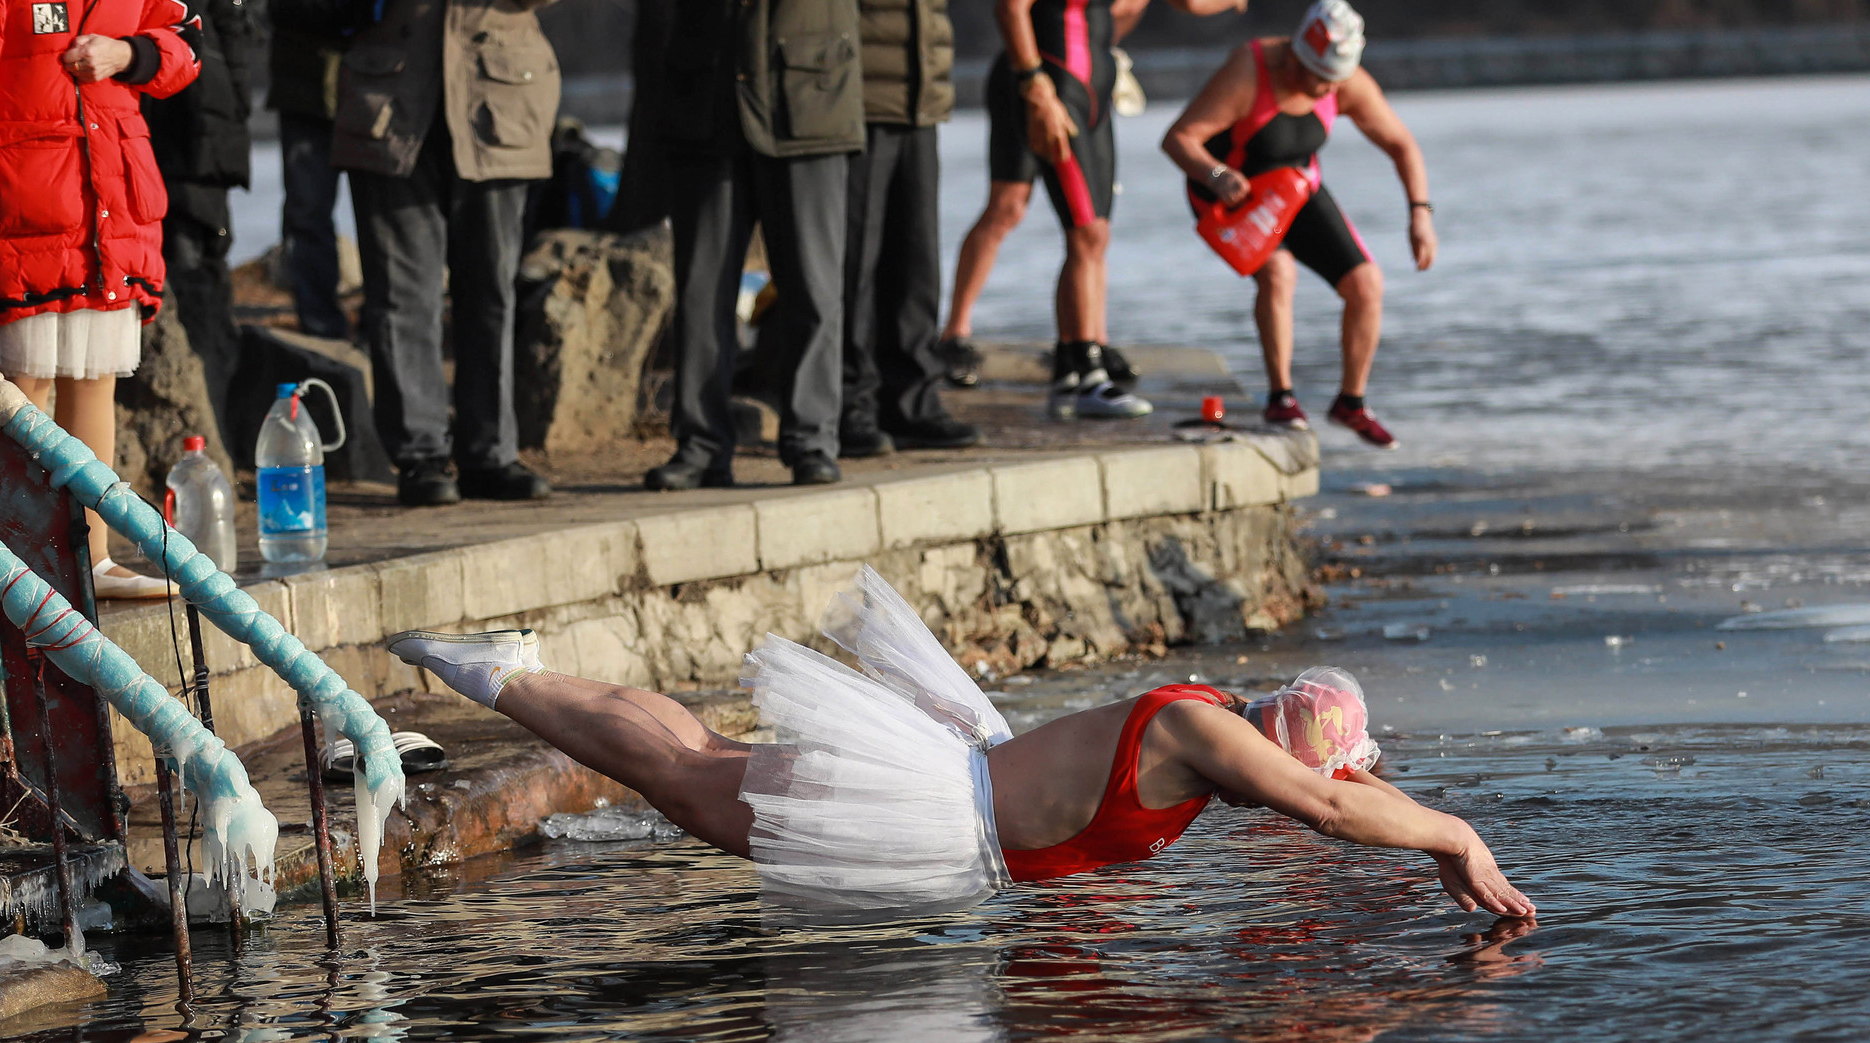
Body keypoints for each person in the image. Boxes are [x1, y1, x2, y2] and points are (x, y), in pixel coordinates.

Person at [386, 566, 1533, 919]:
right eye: (1306, 767)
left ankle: (514, 664)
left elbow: (1337, 794)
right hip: (938, 810)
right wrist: (1456, 838)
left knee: (700, 770)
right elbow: (1331, 808)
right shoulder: (1204, 732)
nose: (1298, 791)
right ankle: (500, 672)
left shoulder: (1215, 749)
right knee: (689, 780)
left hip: (954, 820)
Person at [0, 0, 203, 600]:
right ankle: (9, 563)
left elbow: (188, 43)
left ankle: (92, 558)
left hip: (111, 203)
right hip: (24, 202)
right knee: (19, 386)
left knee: (96, 381)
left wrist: (128, 54)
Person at [938, 0, 1247, 419]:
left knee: (1094, 232)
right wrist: (1034, 84)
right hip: (1047, 83)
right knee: (1024, 213)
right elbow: (1010, 8)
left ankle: (1079, 351)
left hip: (1091, 85)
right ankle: (1070, 366)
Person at [1162, 0, 1432, 448]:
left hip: (1294, 188)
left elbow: (1402, 145)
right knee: (1278, 273)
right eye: (1317, 78)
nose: (1326, 91)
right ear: (1294, 55)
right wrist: (1217, 175)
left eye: (1334, 81)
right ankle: (1281, 397)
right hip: (1226, 189)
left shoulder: (1344, 83)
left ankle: (1352, 402)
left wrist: (1420, 213)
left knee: (1366, 285)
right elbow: (1179, 139)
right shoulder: (1250, 69)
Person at [332, 0, 558, 507]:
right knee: (400, 295)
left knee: (492, 292)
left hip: (501, 99)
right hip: (388, 103)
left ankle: (491, 454)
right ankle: (420, 457)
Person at [643, 0, 863, 492]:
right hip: (706, 97)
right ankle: (700, 446)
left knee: (814, 287)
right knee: (701, 293)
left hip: (811, 96)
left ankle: (812, 441)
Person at [838, 0, 982, 460]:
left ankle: (912, 404)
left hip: (922, 97)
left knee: (917, 262)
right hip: (858, 98)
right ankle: (850, 408)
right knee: (855, 265)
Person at [144, 0, 256, 437]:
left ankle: (208, 438)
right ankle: (211, 437)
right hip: (196, 147)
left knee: (195, 291)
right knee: (200, 287)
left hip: (191, 150)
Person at [266, 0, 350, 340]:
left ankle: (384, 325)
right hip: (304, 92)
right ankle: (320, 330)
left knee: (387, 222)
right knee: (307, 212)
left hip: (379, 89)